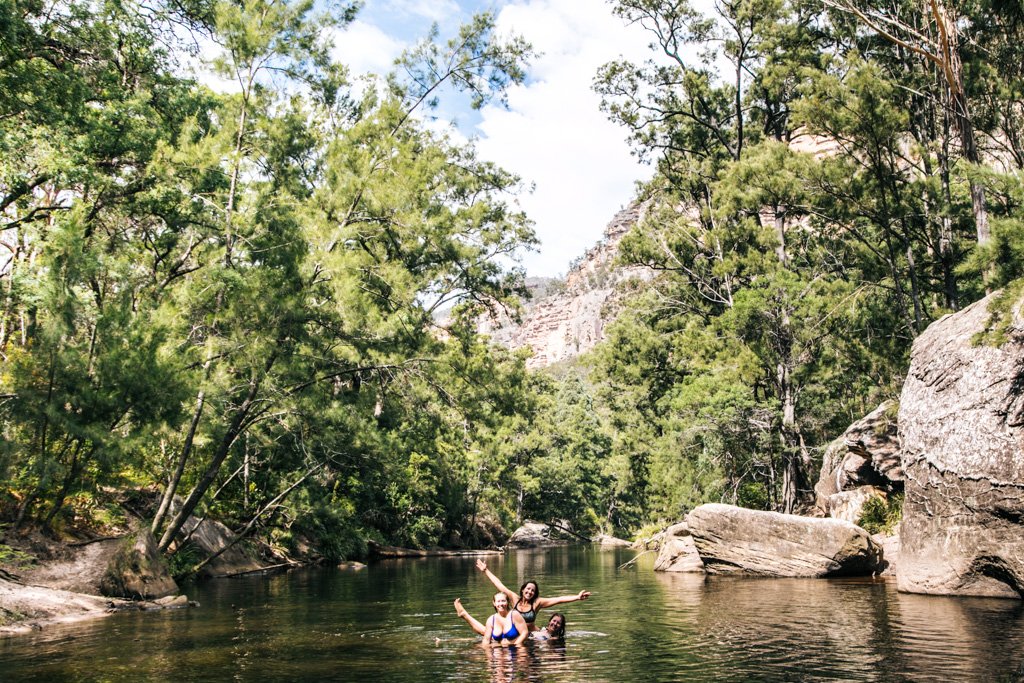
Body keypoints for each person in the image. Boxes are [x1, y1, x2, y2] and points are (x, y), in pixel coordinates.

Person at [475, 559, 590, 632]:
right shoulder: (514, 599)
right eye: (528, 589)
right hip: (515, 634)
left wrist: (577, 597)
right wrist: (486, 571)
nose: (530, 592)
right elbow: (498, 584)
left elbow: (559, 599)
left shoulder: (537, 603)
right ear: (523, 590)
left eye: (533, 591)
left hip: (531, 635)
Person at [454, 595, 528, 647]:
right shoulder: (491, 619)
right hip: (498, 649)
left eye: (503, 601)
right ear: (494, 603)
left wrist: (516, 645)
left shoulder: (514, 614)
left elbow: (524, 633)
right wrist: (489, 663)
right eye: (498, 601)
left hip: (516, 648)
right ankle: (464, 615)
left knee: (483, 631)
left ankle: (464, 614)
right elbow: (486, 641)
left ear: (507, 602)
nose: (501, 604)